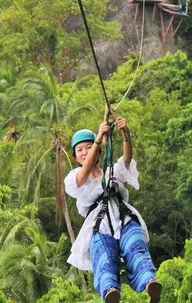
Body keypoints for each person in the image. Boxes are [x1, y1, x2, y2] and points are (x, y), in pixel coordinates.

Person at [64, 114, 161, 303]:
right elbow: (84, 174)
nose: (84, 152)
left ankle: (149, 282)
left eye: (88, 147)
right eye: (79, 150)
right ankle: (110, 291)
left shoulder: (111, 171)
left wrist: (125, 134)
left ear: (98, 151)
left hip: (123, 217)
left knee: (136, 246)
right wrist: (98, 138)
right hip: (99, 225)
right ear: (75, 157)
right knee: (104, 258)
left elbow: (126, 160)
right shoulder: (75, 178)